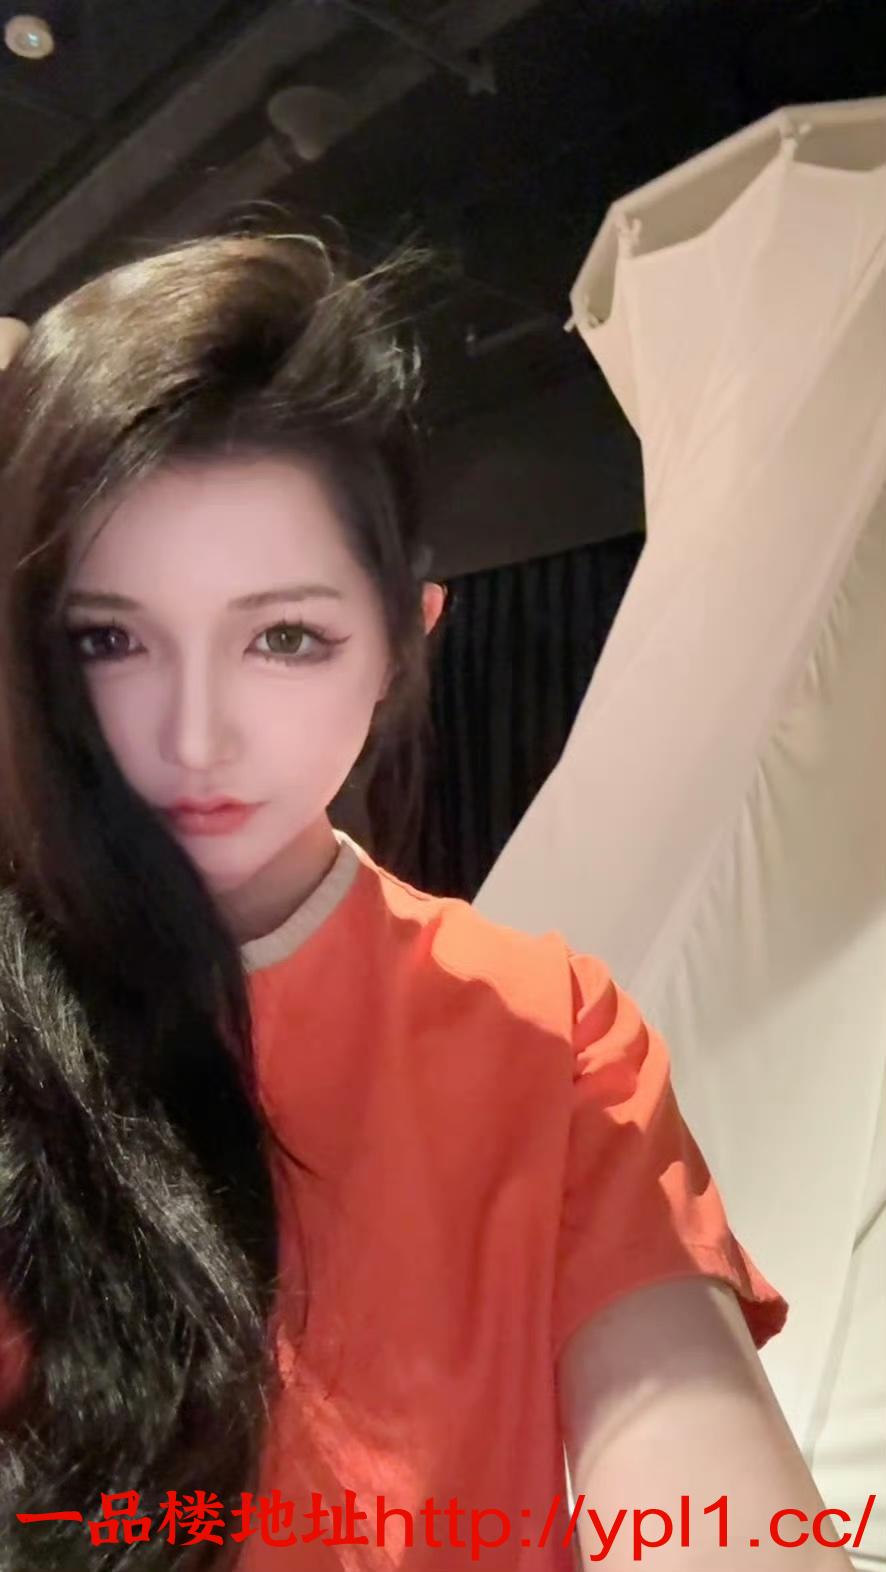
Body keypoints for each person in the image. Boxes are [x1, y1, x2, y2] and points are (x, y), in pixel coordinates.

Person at [0, 234, 853, 1572]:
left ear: (404, 643)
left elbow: (709, 1503)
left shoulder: (544, 1034)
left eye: (285, 637)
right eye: (109, 639)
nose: (195, 735)